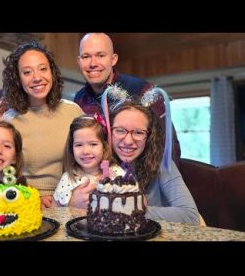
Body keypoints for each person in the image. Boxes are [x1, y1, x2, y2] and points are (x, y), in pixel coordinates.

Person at [74, 33, 181, 165]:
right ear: (79, 62)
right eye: (86, 56)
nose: (93, 63)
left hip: (143, 180)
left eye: (100, 55)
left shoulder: (142, 90)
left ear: (113, 59)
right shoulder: (79, 100)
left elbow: (170, 147)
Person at [2, 41, 83, 208]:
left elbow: (92, 160)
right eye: (27, 72)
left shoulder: (73, 112)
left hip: (71, 201)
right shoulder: (7, 121)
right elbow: (0, 172)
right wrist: (31, 197)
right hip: (24, 202)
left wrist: (64, 199)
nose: (37, 77)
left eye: (43, 69)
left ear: (52, 72)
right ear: (17, 79)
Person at [105, 90, 199, 225]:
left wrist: (135, 209)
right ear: (109, 131)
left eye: (138, 132)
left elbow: (190, 216)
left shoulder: (161, 163)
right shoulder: (98, 162)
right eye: (120, 130)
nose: (128, 141)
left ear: (149, 136)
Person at [52, 113, 124, 208]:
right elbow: (54, 211)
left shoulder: (116, 173)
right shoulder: (68, 178)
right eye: (79, 145)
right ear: (71, 148)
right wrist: (72, 205)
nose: (85, 151)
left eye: (93, 144)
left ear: (104, 147)